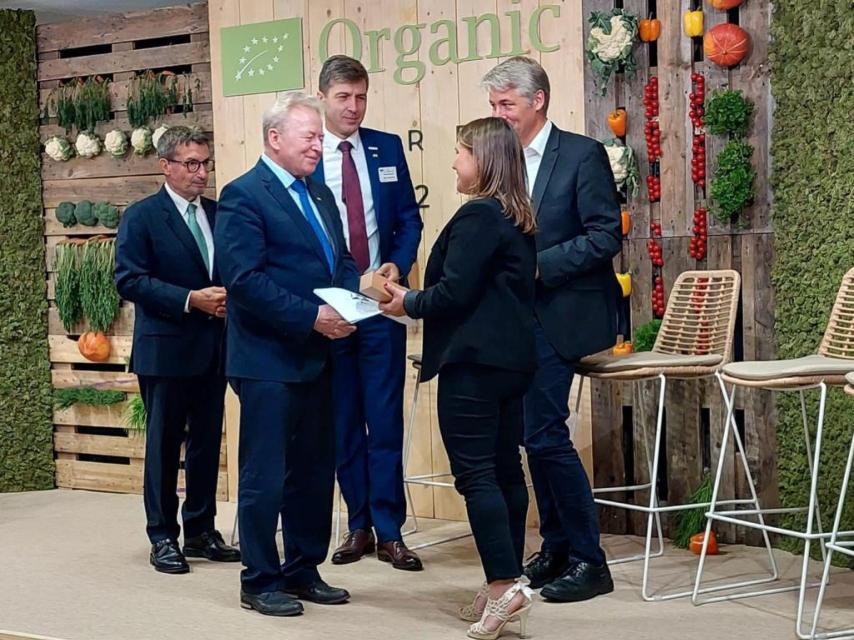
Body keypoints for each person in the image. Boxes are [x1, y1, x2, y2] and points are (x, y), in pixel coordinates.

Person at [381, 117, 537, 640]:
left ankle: (502, 588)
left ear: (485, 160)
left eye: (461, 152)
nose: (453, 161)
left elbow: (452, 294)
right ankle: (508, 581)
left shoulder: (478, 218)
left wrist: (405, 302)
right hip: (512, 362)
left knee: (477, 476)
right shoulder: (517, 218)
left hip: (472, 363)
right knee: (504, 470)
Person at [481, 56, 622, 603]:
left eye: (505, 105)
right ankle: (557, 546)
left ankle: (591, 559)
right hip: (517, 318)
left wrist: (540, 265)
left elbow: (606, 234)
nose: (498, 115)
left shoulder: (583, 154)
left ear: (536, 101)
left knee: (543, 433)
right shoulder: (501, 159)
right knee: (530, 435)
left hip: (567, 314)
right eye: (493, 106)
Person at [214, 92, 359, 617]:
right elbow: (244, 280)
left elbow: (341, 261)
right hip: (267, 362)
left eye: (321, 137)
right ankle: (258, 579)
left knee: (315, 471)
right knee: (266, 474)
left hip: (320, 356)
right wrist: (310, 317)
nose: (320, 145)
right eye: (310, 136)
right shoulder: (243, 196)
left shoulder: (318, 195)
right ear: (275, 138)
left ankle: (303, 567)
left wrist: (346, 305)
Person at [314, 55, 424, 571]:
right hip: (332, 309)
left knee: (383, 422)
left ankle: (391, 530)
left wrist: (397, 265)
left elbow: (407, 220)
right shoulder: (309, 155)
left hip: (381, 307)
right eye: (343, 98)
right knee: (341, 422)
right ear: (323, 98)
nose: (353, 107)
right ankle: (357, 525)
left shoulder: (386, 147)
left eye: (360, 97)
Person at [115, 126, 240, 574]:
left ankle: (202, 531)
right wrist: (190, 299)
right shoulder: (142, 216)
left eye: (205, 163)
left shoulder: (220, 212)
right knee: (165, 447)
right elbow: (129, 280)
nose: (200, 172)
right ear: (165, 166)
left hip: (215, 348)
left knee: (207, 444)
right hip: (166, 350)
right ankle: (163, 536)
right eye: (191, 163)